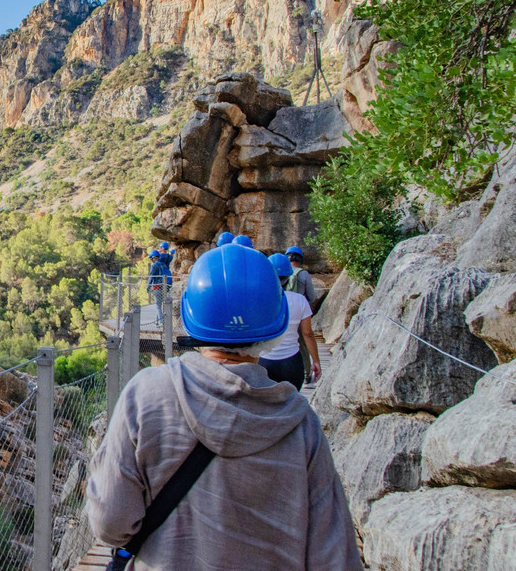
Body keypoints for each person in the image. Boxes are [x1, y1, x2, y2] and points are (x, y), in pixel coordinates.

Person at [86, 244, 361, 570]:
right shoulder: (302, 426)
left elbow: (110, 523)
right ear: (277, 322)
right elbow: (333, 556)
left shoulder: (145, 396)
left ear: (190, 317)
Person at [259, 253, 321, 390]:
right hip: (292, 362)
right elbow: (308, 333)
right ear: (289, 277)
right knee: (291, 406)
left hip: (263, 361)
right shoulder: (300, 300)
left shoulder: (259, 300)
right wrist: (315, 360)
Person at [285, 246, 317, 311]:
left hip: (284, 308)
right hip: (299, 309)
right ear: (300, 260)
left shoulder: (281, 273)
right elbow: (311, 297)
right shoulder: (304, 274)